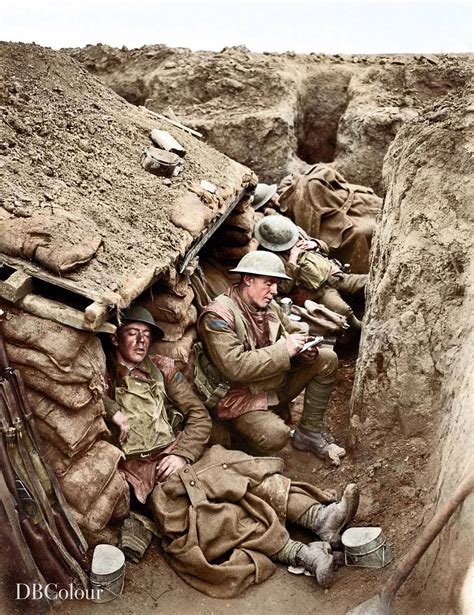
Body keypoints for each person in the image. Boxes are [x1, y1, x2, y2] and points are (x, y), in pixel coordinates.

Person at [104, 305, 360, 597]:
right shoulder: (103, 375)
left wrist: (183, 453)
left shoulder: (162, 368)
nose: (141, 342)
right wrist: (112, 410)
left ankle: (319, 517)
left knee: (245, 472)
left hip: (181, 454)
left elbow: (198, 415)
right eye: (133, 333)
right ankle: (302, 555)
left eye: (146, 335)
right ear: (115, 338)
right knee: (211, 519)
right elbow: (89, 400)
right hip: (150, 475)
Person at [195, 251, 346, 466]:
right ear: (248, 279)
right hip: (239, 398)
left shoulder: (267, 304)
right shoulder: (218, 316)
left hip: (271, 382)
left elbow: (292, 328)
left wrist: (304, 347)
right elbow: (235, 366)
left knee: (326, 359)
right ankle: (240, 442)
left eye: (276, 284)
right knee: (276, 436)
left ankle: (309, 432)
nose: (274, 291)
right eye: (269, 283)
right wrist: (285, 350)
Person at [254, 216, 367, 330]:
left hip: (334, 275)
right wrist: (293, 258)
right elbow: (284, 287)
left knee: (367, 282)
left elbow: (325, 248)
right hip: (316, 292)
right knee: (344, 311)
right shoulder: (268, 257)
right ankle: (359, 331)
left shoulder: (296, 233)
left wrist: (314, 244)